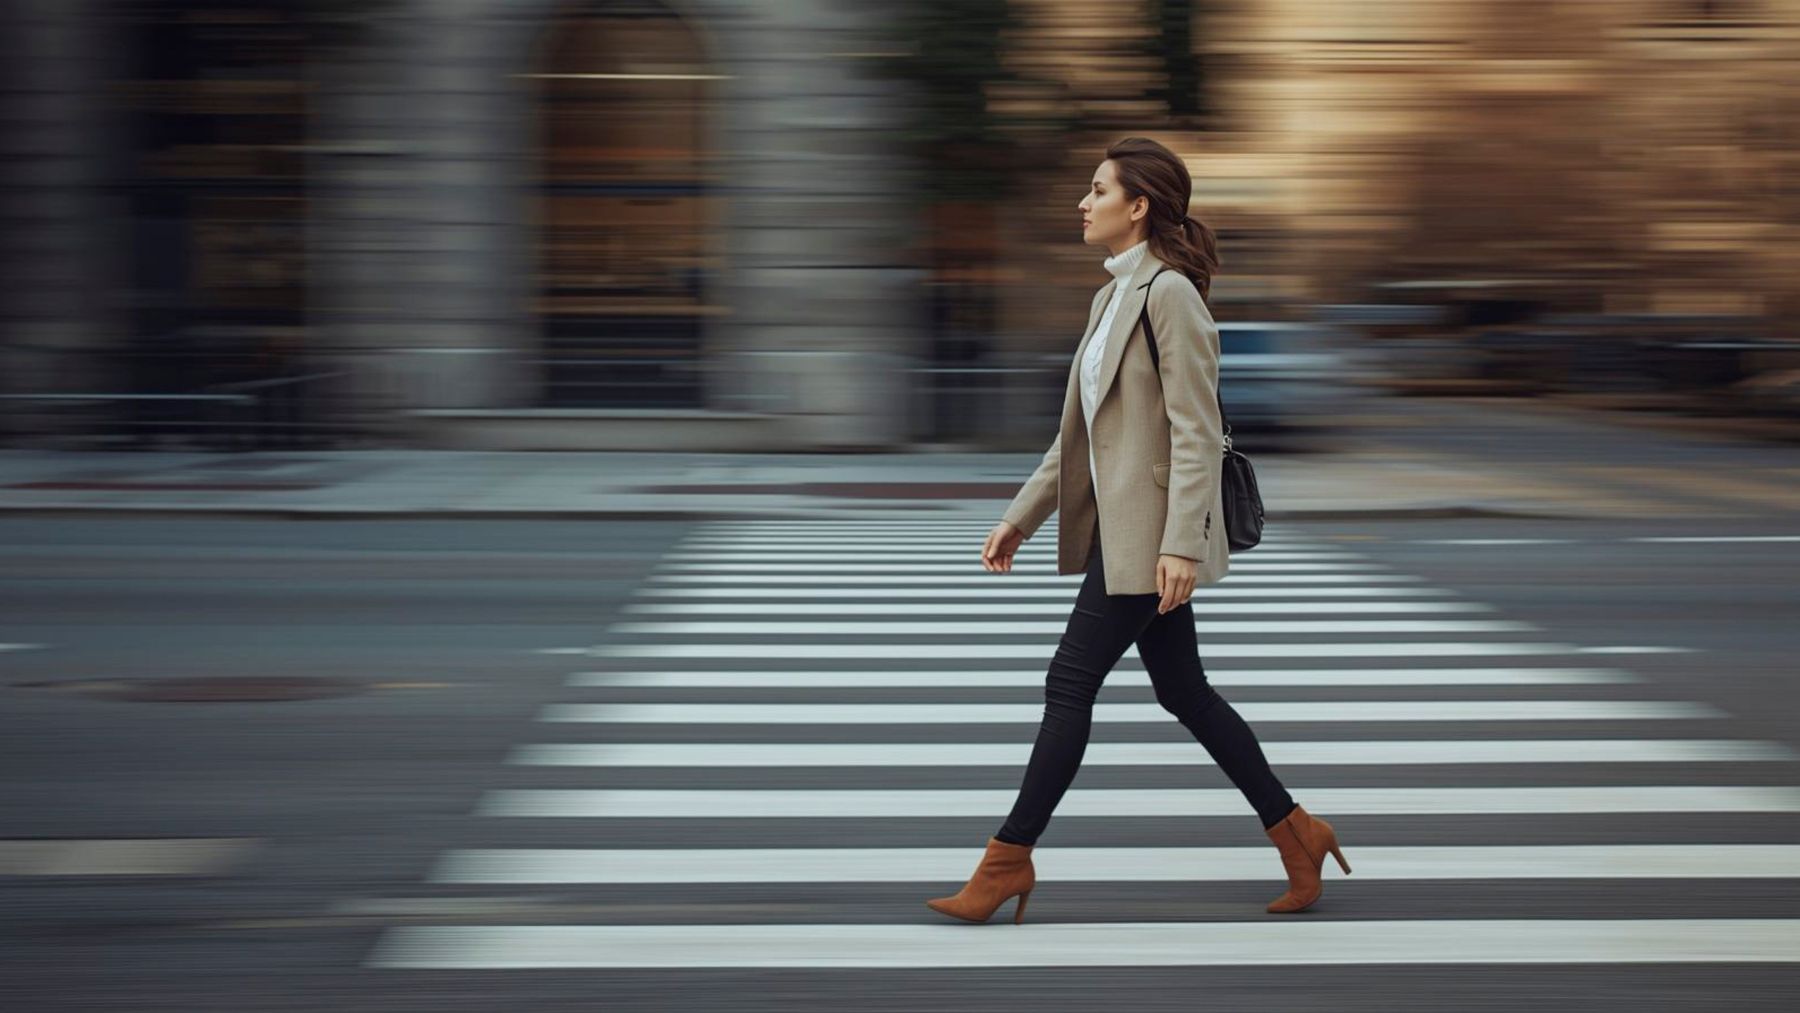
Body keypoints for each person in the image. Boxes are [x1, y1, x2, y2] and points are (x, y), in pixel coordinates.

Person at [924, 137, 1351, 925]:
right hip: (1127, 536)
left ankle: (1005, 862)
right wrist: (1021, 515)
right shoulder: (1110, 297)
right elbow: (1077, 439)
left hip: (1148, 541)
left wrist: (1182, 542)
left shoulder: (1169, 296)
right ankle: (1298, 831)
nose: (1082, 204)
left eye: (1096, 190)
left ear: (1139, 205)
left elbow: (1195, 430)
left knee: (1069, 682)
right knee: (1183, 691)